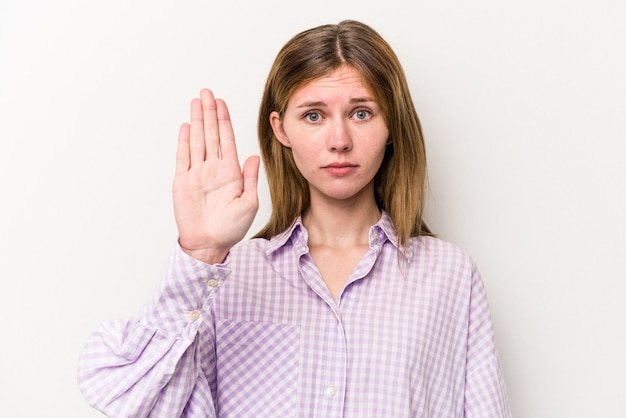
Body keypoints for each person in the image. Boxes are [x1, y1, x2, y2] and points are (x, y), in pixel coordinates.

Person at [77, 20, 511, 417]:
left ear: (392, 125)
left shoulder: (450, 276)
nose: (339, 140)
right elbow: (129, 400)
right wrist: (201, 253)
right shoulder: (226, 277)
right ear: (281, 129)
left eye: (362, 113)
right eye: (313, 115)